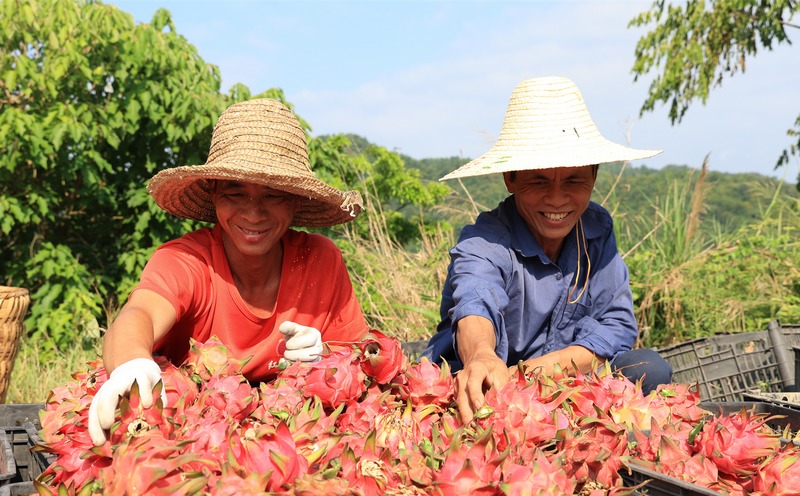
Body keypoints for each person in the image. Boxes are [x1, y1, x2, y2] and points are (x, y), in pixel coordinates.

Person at [88, 98, 369, 445]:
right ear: (214, 193)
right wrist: (132, 365)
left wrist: (325, 355)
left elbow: (358, 363)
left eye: (273, 195)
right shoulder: (188, 260)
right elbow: (139, 313)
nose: (253, 213)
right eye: (235, 192)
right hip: (186, 441)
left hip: (293, 441)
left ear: (295, 201)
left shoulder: (319, 261)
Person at [422, 76, 673, 423]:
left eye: (574, 180)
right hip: (487, 386)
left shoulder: (596, 229)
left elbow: (617, 325)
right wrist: (482, 356)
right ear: (510, 178)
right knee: (460, 393)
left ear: (595, 176)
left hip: (560, 381)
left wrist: (536, 372)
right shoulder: (483, 242)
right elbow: (474, 304)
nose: (557, 199)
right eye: (538, 181)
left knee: (651, 369)